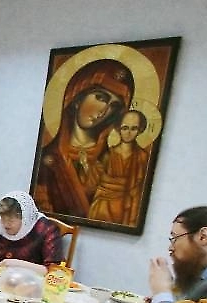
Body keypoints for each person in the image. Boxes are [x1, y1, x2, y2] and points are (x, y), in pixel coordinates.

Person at [34, 58, 134, 217]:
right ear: (77, 96)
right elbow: (41, 215)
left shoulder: (112, 160)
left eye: (114, 106)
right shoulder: (48, 159)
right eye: (100, 98)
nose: (103, 111)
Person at [0, 191, 63, 274]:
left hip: (32, 286)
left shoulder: (46, 229)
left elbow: (54, 271)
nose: (5, 224)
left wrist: (17, 265)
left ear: (25, 219)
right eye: (2, 219)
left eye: (11, 220)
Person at [88, 110, 151, 225]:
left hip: (127, 209)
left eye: (134, 128)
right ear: (118, 129)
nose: (128, 133)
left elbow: (139, 189)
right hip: (103, 207)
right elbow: (94, 182)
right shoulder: (108, 155)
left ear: (140, 130)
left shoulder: (142, 157)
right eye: (125, 128)